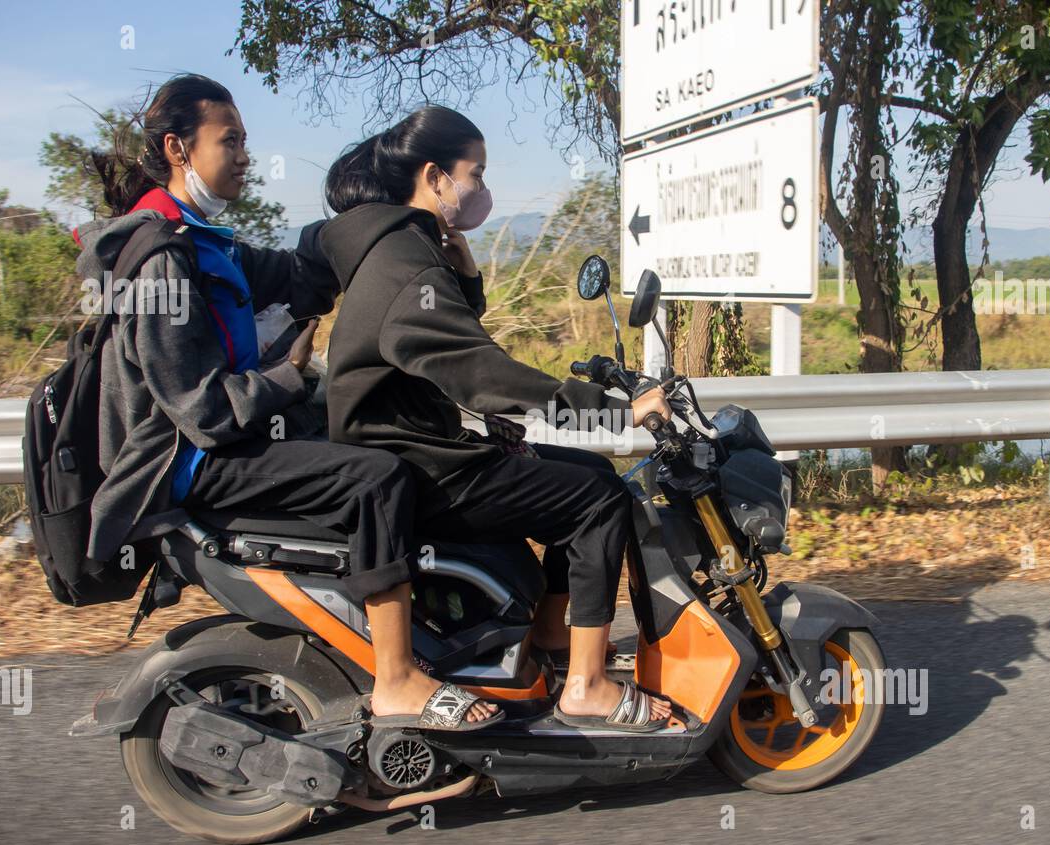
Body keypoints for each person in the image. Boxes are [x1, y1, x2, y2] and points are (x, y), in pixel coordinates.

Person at [77, 75, 502, 732]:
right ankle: (396, 680)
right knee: (376, 477)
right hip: (191, 460)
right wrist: (287, 376)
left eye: (246, 140)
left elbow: (298, 273)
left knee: (383, 446)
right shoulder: (162, 255)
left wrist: (386, 221)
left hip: (227, 442)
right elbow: (200, 408)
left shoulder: (201, 241)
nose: (246, 154)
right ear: (177, 148)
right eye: (231, 140)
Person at [320, 105, 676, 732]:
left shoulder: (403, 249)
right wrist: (615, 414)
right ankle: (587, 688)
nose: (483, 191)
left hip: (417, 445)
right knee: (600, 500)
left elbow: (439, 351)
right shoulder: (407, 262)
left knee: (585, 471)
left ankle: (548, 638)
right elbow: (480, 373)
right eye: (475, 175)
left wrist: (467, 276)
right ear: (435, 177)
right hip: (419, 466)